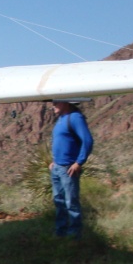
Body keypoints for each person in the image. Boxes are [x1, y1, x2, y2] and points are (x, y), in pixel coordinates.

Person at [49, 99, 94, 239]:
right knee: (59, 201)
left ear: (65, 103)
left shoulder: (75, 118)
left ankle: (74, 236)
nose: (53, 105)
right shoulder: (61, 119)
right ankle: (60, 233)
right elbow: (62, 142)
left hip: (68, 169)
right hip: (57, 167)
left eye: (56, 102)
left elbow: (87, 140)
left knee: (71, 202)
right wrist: (54, 162)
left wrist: (79, 162)